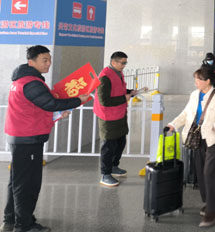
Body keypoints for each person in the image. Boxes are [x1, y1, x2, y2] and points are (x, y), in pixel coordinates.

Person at [2, 46, 88, 232]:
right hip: (28, 138)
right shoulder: (31, 82)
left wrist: (57, 113)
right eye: (44, 60)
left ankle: (11, 219)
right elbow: (50, 103)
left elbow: (37, 108)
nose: (48, 64)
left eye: (49, 59)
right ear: (31, 61)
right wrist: (78, 100)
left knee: (17, 181)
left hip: (21, 136)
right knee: (28, 183)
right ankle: (24, 225)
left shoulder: (21, 80)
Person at [166, 67, 215, 228]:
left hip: (214, 139)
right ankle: (209, 202)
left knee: (211, 172)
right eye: (195, 79)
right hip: (198, 138)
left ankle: (212, 211)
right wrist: (173, 124)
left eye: (199, 79)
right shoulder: (194, 95)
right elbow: (186, 113)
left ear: (208, 81)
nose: (196, 82)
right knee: (200, 172)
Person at [94, 52, 143, 187]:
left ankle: (114, 166)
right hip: (108, 116)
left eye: (125, 63)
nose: (124, 65)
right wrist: (123, 98)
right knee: (108, 146)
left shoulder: (118, 73)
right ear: (113, 62)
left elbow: (118, 89)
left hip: (119, 113)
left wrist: (129, 92)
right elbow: (104, 100)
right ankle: (105, 174)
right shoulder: (104, 77)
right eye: (122, 63)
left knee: (120, 142)